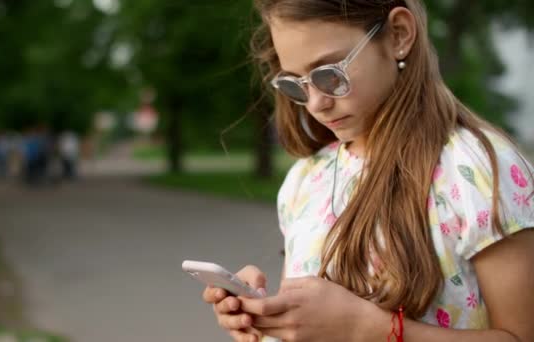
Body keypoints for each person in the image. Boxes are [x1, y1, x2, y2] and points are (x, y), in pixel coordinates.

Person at [202, 1, 534, 341]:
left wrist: (370, 329)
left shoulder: (477, 170)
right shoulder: (305, 179)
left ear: (398, 35)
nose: (316, 103)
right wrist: (267, 321)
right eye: (295, 84)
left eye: (329, 75)